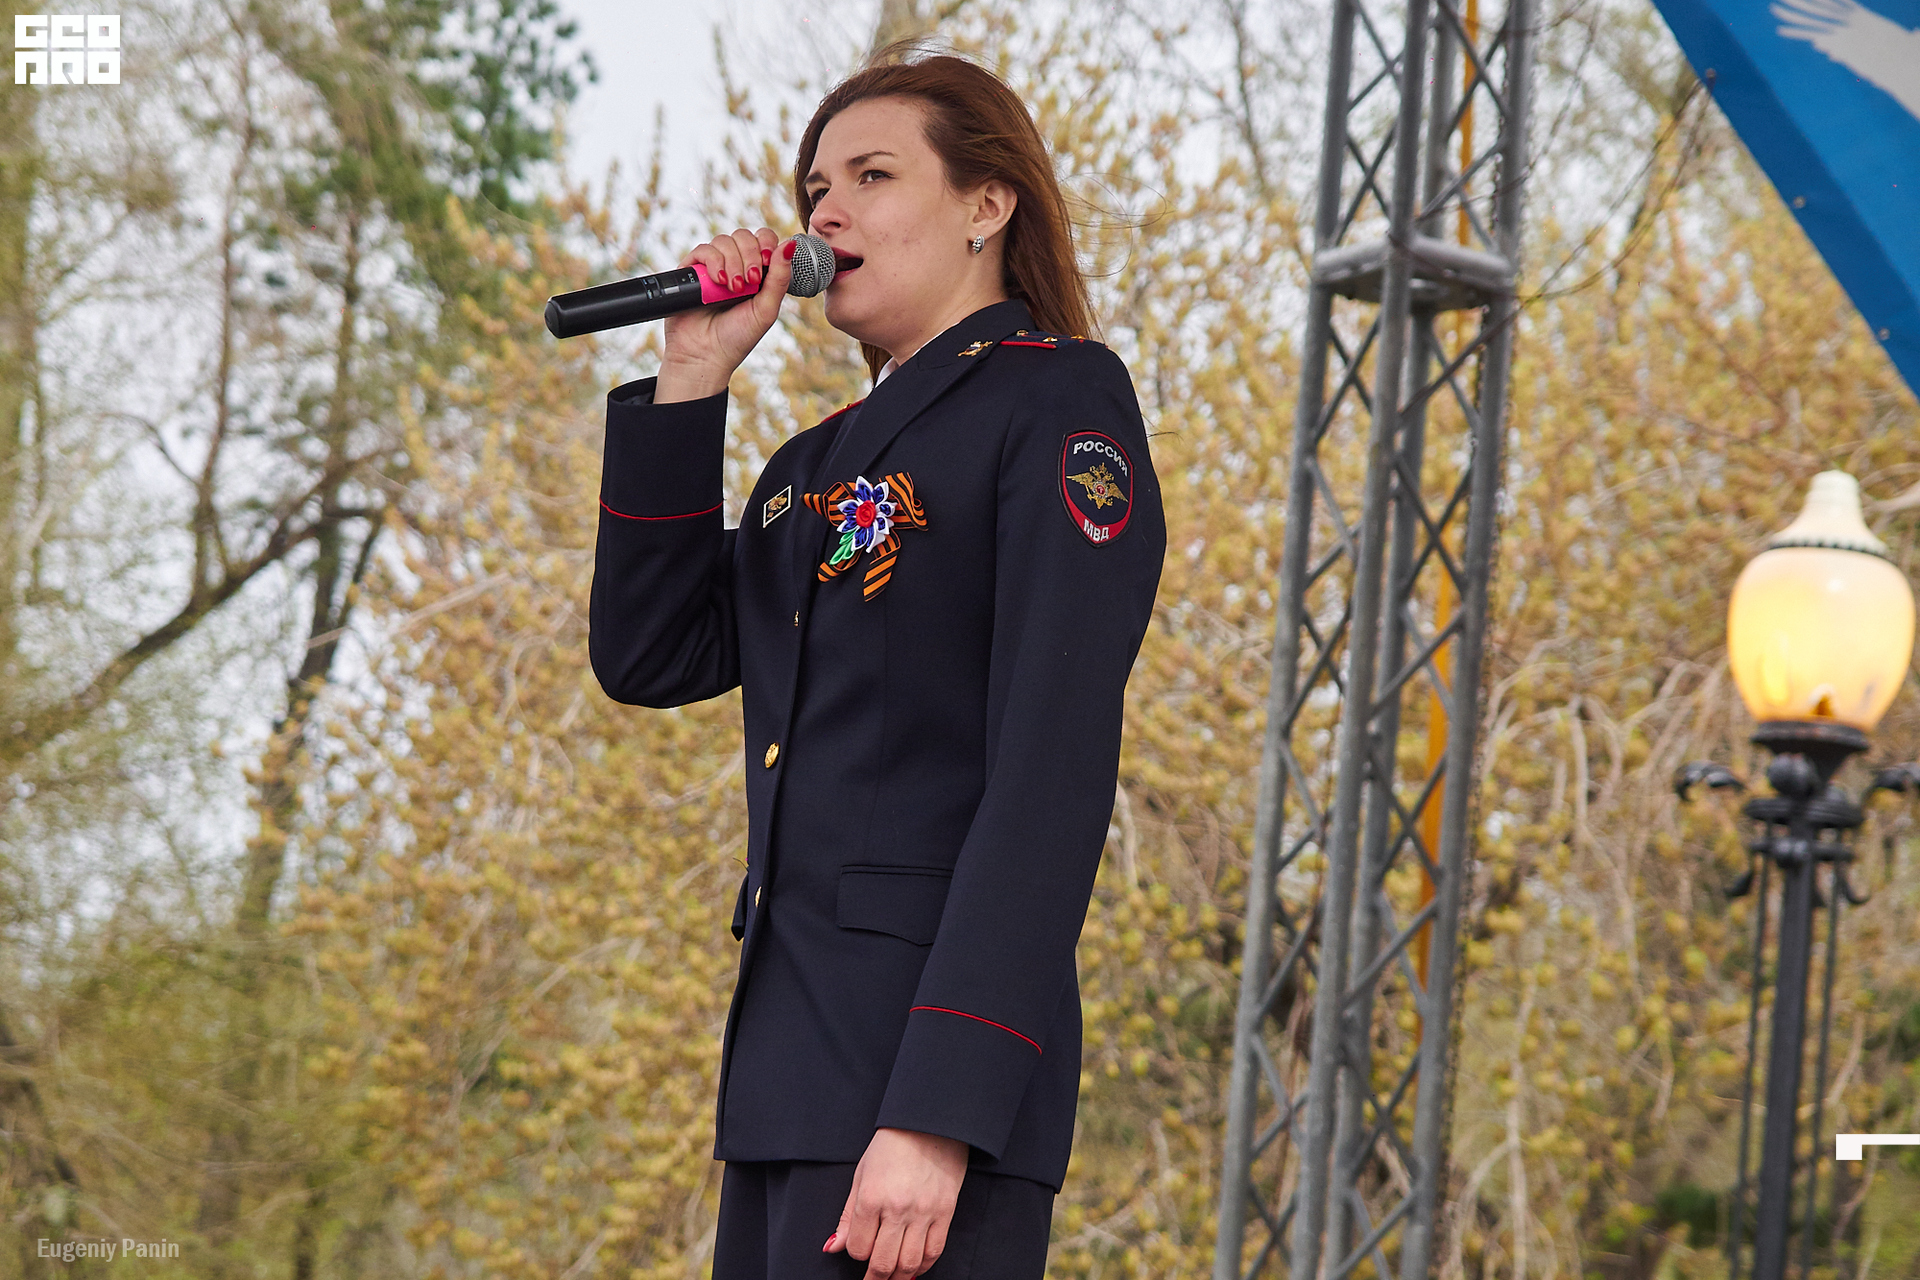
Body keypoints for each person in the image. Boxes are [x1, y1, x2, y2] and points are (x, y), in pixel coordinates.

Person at [588, 48, 1166, 1280]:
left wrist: (939, 1112)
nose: (826, 214)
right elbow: (651, 651)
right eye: (814, 189)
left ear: (985, 204)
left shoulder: (1058, 403)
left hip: (925, 1092)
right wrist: (692, 375)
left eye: (872, 175)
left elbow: (1052, 769)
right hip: (786, 1081)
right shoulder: (812, 466)